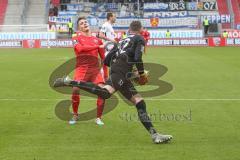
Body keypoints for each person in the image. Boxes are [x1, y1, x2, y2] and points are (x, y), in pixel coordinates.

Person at [54, 21, 173, 144]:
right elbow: (137, 58)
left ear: (129, 29)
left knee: (139, 102)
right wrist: (141, 73)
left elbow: (106, 61)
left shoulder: (121, 40)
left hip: (119, 73)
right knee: (105, 93)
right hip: (120, 73)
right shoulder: (140, 38)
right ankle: (71, 82)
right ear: (141, 29)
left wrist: (129, 73)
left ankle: (155, 135)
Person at [70, 17, 107, 125]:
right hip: (81, 69)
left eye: (85, 22)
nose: (84, 24)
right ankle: (75, 115)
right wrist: (97, 46)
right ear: (79, 27)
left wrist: (106, 74)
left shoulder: (97, 40)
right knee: (75, 89)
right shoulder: (75, 38)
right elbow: (80, 49)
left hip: (95, 70)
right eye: (82, 23)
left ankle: (98, 118)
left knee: (102, 91)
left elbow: (104, 59)